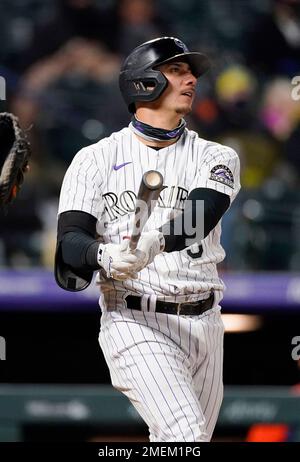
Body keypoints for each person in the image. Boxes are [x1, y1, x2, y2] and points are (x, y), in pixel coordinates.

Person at [55, 37, 241, 442]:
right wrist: (103, 254)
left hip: (207, 322)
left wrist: (151, 245)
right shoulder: (94, 159)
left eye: (190, 72)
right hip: (136, 318)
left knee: (182, 442)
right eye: (177, 70)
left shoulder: (217, 156)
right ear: (143, 83)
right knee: (184, 436)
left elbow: (200, 216)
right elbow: (70, 242)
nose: (191, 79)